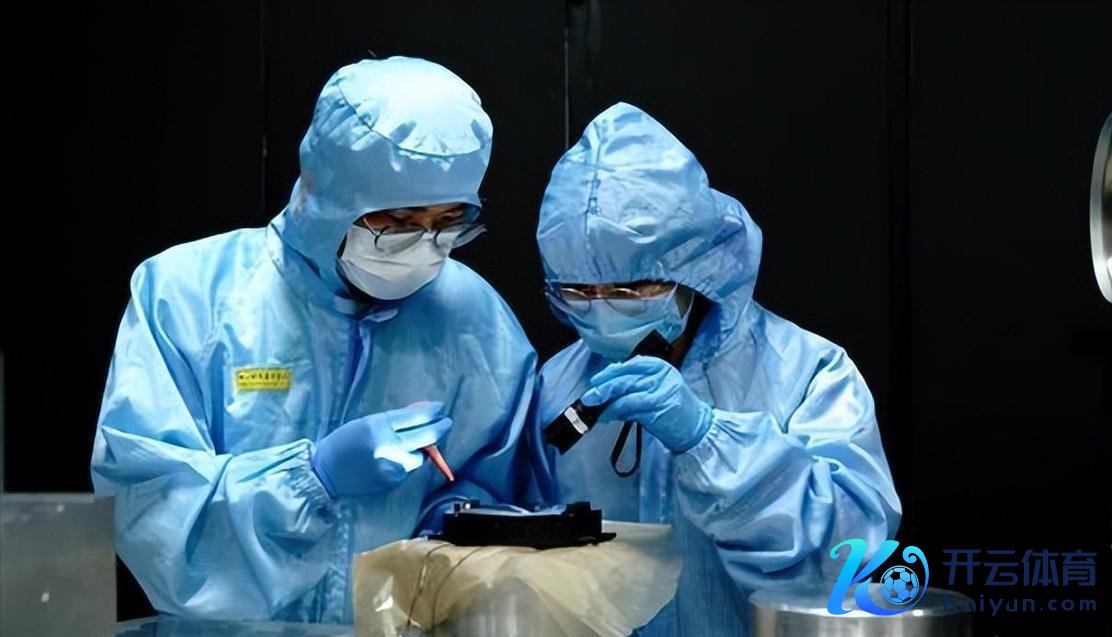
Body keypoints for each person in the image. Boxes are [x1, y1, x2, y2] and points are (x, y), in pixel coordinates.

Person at [91, 57, 536, 624]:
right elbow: (148, 506)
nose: (425, 245)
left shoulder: (474, 318)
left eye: (449, 221)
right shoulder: (189, 295)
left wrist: (449, 531)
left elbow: (509, 499)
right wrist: (311, 478)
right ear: (329, 195)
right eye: (399, 221)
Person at [527, 103, 901, 635]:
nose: (602, 308)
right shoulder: (556, 388)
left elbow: (847, 554)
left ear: (694, 269)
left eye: (631, 289)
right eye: (579, 291)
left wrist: (709, 441)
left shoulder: (808, 373)